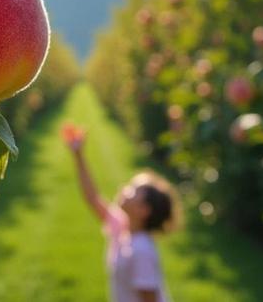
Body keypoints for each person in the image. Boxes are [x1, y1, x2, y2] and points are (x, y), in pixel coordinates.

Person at [61, 122, 180, 302]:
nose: (125, 189)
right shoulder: (123, 228)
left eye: (133, 190)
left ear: (143, 210)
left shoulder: (141, 251)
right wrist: (78, 155)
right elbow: (93, 199)